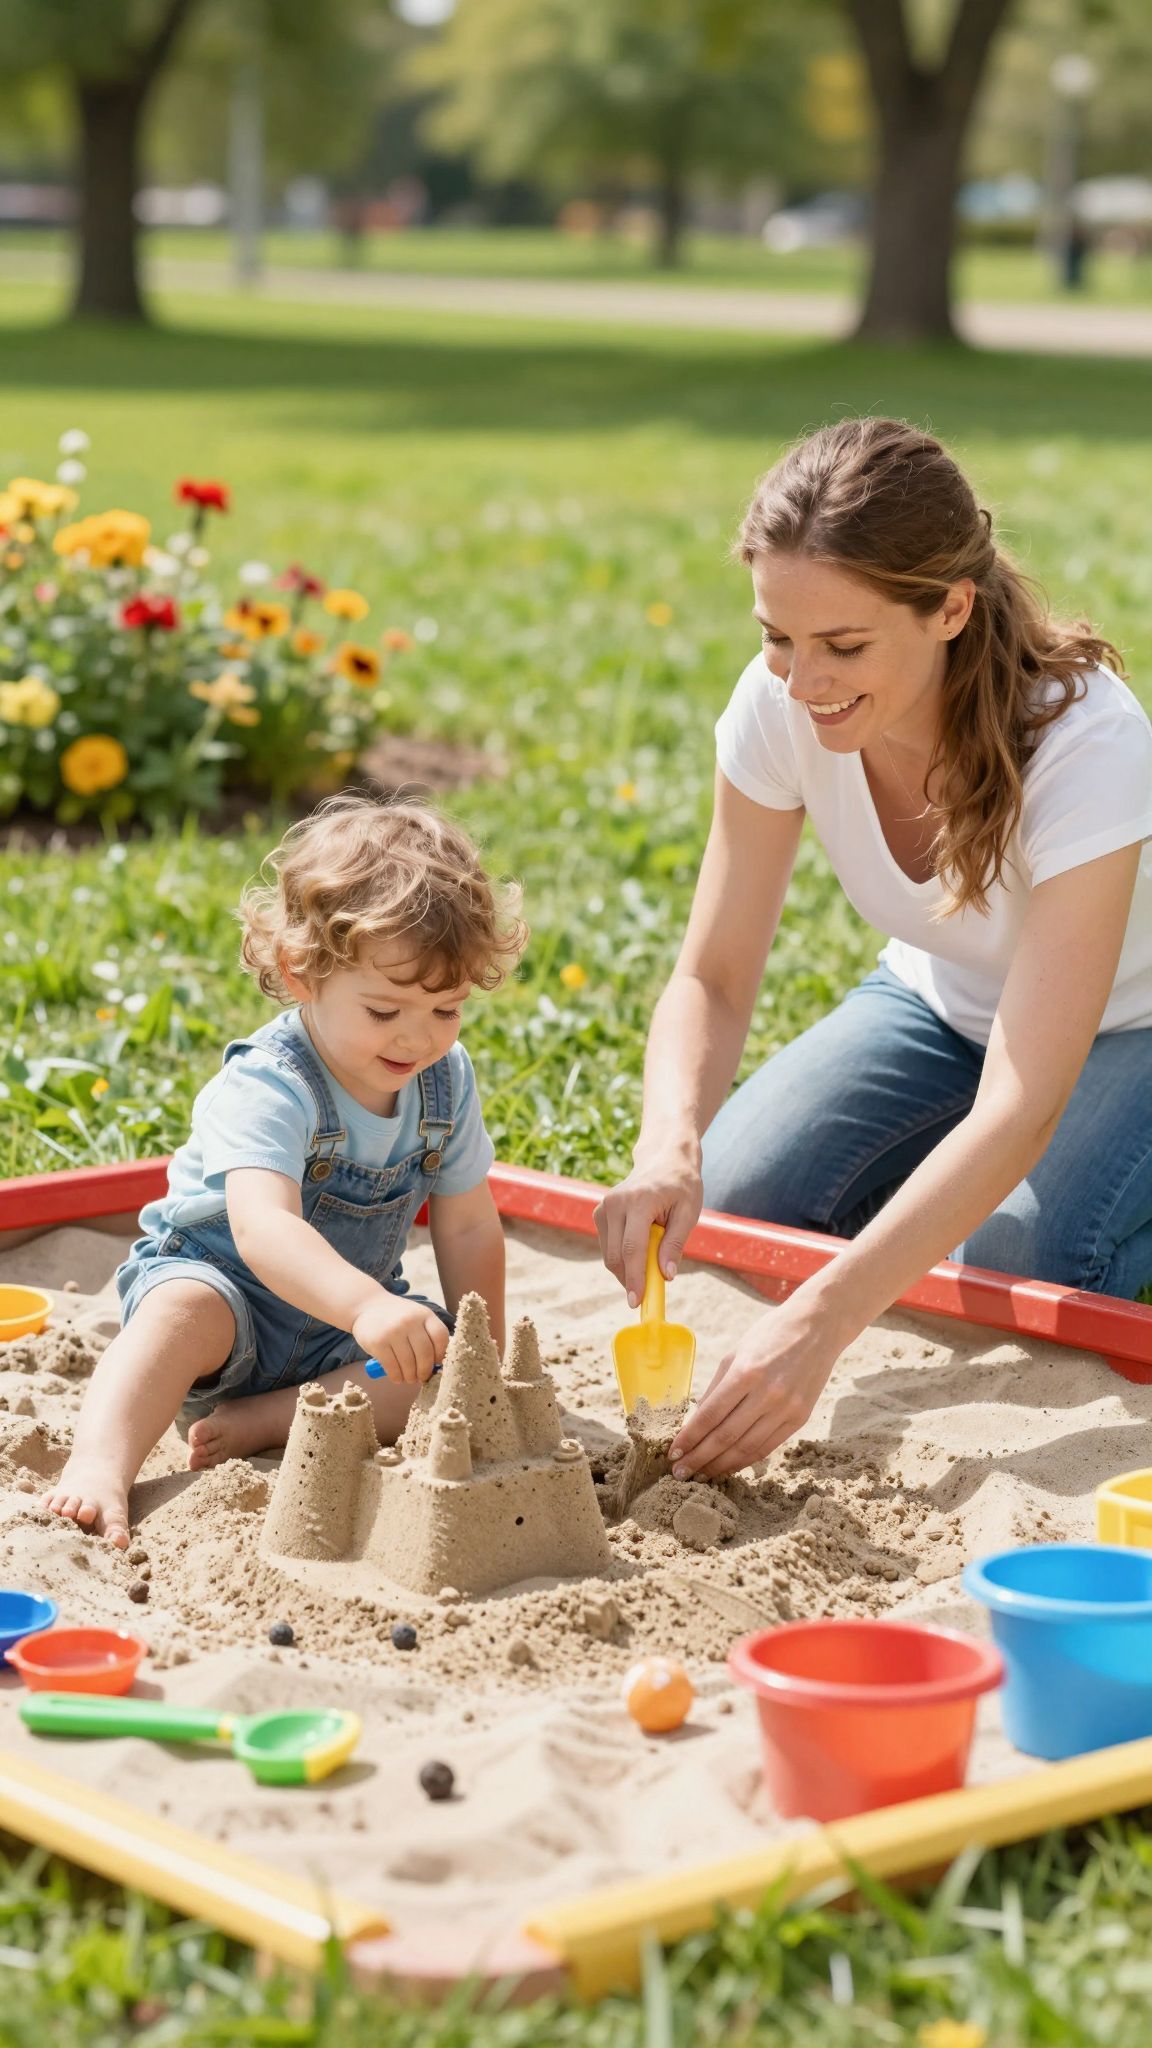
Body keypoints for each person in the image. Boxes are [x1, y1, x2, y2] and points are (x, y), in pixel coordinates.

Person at [596, 418, 1152, 1483]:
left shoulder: (1086, 742)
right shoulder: (778, 706)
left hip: (1129, 1026)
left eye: (843, 646)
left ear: (951, 607)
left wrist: (825, 1319)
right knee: (741, 1199)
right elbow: (711, 974)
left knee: (1021, 1259)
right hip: (940, 1006)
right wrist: (669, 1142)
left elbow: (1021, 1099)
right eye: (776, 636)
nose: (801, 682)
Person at [45, 795, 527, 1548]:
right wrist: (366, 1304)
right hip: (229, 1298)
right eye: (384, 1010)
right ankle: (101, 1463)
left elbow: (467, 1220)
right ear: (303, 975)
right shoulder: (273, 1082)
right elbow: (262, 1226)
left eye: (447, 1009)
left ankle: (273, 1417)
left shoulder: (444, 1083)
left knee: (433, 1356)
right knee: (178, 1310)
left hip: (339, 1350)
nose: (418, 1036)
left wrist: (480, 1355)